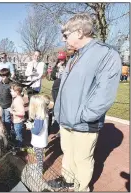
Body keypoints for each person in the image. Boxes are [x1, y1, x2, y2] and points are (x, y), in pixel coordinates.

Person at [52, 13, 122, 191]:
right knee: (68, 154)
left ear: (80, 32)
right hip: (66, 120)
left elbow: (104, 93)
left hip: (84, 122)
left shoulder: (106, 53)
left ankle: (81, 188)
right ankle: (68, 182)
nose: (63, 38)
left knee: (82, 159)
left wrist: (86, 116)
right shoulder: (75, 56)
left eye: (66, 34)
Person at [25, 95, 50, 176]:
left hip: (39, 141)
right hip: (41, 140)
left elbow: (36, 131)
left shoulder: (39, 117)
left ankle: (40, 170)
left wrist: (30, 126)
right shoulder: (43, 113)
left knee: (39, 156)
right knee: (39, 155)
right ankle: (39, 167)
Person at [0, 68, 12, 138]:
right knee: (1, 120)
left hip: (8, 106)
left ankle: (8, 133)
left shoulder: (11, 84)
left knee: (7, 120)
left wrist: (12, 106)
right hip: (0, 106)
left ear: (8, 76)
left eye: (5, 76)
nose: (3, 78)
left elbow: (13, 96)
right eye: (2, 76)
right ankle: (3, 133)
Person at [9, 83, 25, 148]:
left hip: (18, 122)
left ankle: (19, 147)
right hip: (15, 121)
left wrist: (12, 112)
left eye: (11, 91)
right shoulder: (16, 98)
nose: (10, 92)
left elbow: (22, 113)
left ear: (17, 92)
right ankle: (17, 145)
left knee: (18, 136)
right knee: (16, 134)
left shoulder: (18, 100)